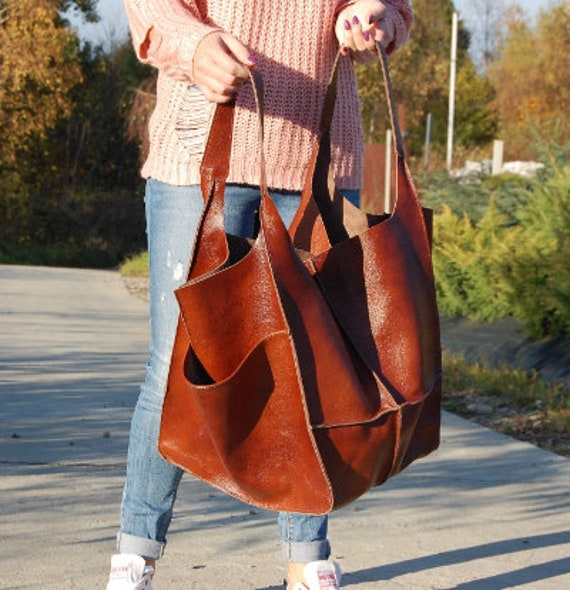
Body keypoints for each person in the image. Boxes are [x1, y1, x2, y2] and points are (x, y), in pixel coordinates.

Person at [106, 1, 412, 589]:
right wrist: (193, 44)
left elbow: (393, 8)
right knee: (175, 361)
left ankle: (308, 559)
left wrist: (372, 13)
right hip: (199, 147)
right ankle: (135, 556)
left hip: (323, 159)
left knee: (318, 362)